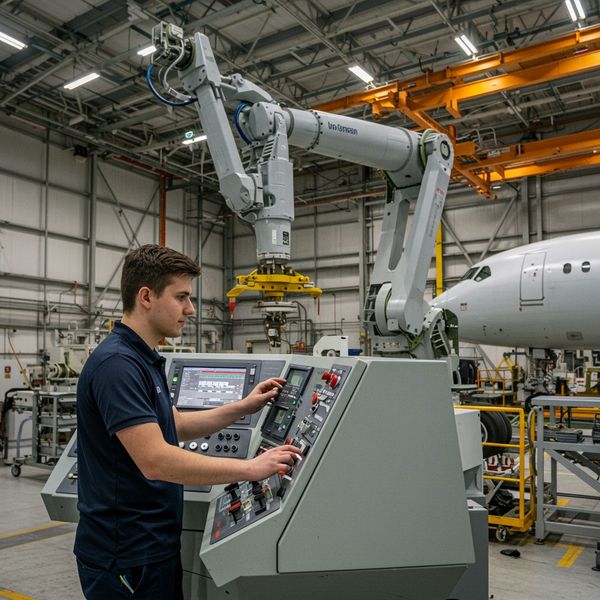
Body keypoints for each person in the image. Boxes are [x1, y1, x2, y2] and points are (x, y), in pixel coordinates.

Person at [74, 244, 301, 600]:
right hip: (126, 554)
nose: (190, 309)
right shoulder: (117, 365)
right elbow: (156, 460)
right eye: (181, 297)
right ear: (146, 296)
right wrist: (251, 468)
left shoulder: (141, 358)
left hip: (150, 546)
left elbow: (174, 424)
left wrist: (243, 407)